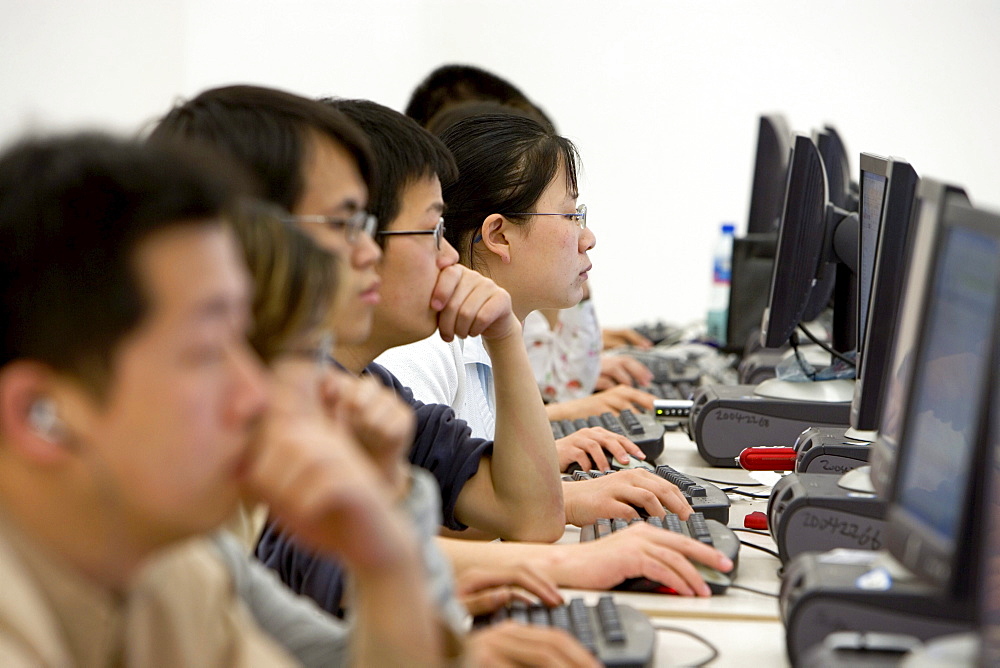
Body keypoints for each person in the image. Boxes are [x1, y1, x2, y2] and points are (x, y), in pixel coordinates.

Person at [151, 87, 592, 664]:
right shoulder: (195, 485)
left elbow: (336, 651)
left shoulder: (357, 392)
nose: (365, 252)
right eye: (345, 224)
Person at [261, 100, 731, 608]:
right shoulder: (339, 390)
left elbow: (531, 516)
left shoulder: (370, 385)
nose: (448, 255)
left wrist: (505, 336)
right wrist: (567, 563)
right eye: (432, 232)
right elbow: (349, 566)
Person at [0, 133, 440, 666]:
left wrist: (387, 564)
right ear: (39, 416)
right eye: (209, 351)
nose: (255, 394)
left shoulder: (168, 571)